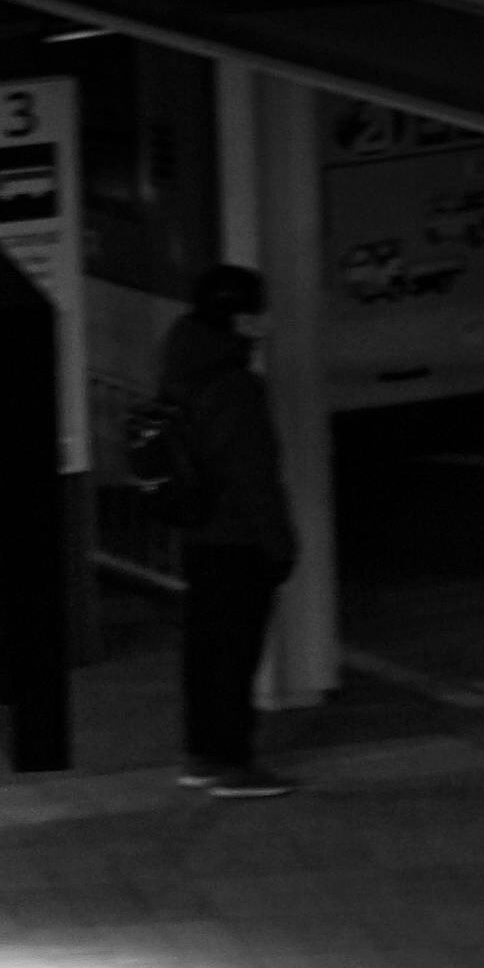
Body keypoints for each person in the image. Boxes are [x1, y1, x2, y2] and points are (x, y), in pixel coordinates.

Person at [152, 261, 299, 796]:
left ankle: (201, 757)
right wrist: (280, 547)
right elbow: (254, 478)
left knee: (204, 652)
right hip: (238, 540)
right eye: (258, 309)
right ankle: (234, 764)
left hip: (198, 536)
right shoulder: (237, 388)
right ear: (239, 316)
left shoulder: (180, 365)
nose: (265, 320)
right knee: (235, 658)